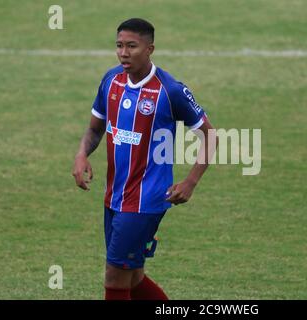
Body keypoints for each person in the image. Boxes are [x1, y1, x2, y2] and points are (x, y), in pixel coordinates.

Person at [72, 18, 217, 300]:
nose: (123, 53)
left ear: (149, 49)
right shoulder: (111, 80)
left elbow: (210, 136)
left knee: (114, 277)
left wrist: (190, 182)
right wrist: (81, 155)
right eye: (119, 45)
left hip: (145, 201)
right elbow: (95, 128)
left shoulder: (170, 90)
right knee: (133, 276)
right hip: (114, 196)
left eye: (131, 46)